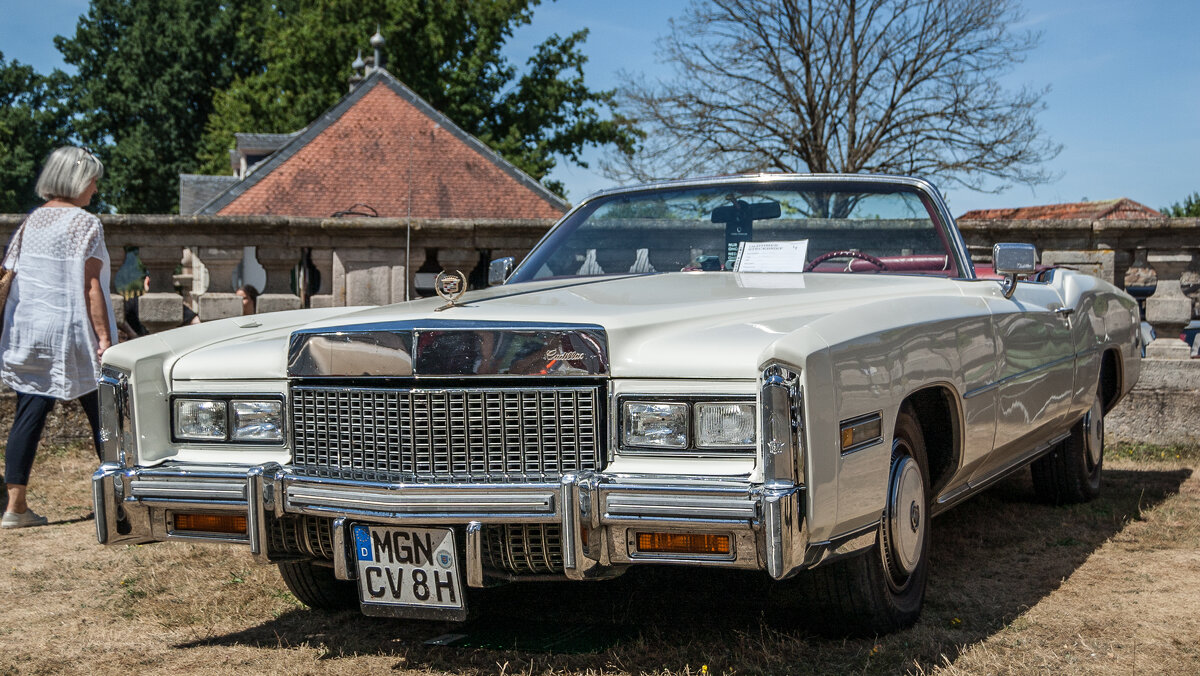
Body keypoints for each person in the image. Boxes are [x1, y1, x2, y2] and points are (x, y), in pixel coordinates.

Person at [1, 146, 114, 529]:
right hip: (71, 333)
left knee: (28, 414)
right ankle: (121, 500)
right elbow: (91, 286)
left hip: (29, 332)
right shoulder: (85, 224)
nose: (95, 189)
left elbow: (11, 273)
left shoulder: (31, 222)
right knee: (105, 414)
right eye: (93, 180)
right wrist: (104, 338)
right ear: (78, 180)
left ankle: (15, 508)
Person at [118, 273, 199, 340]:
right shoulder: (172, 305)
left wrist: (133, 335)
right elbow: (197, 322)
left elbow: (116, 314)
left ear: (147, 282)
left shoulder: (134, 302)